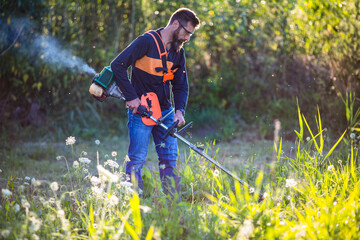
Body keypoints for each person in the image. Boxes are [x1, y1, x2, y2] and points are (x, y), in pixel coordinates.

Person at [110, 8, 200, 198]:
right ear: (175, 24)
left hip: (166, 113)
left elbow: (181, 86)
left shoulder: (178, 53)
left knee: (169, 159)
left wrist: (180, 111)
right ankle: (133, 203)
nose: (187, 38)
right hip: (141, 111)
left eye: (190, 35)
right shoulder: (146, 42)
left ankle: (172, 206)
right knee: (136, 159)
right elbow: (117, 65)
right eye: (187, 33)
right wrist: (132, 97)